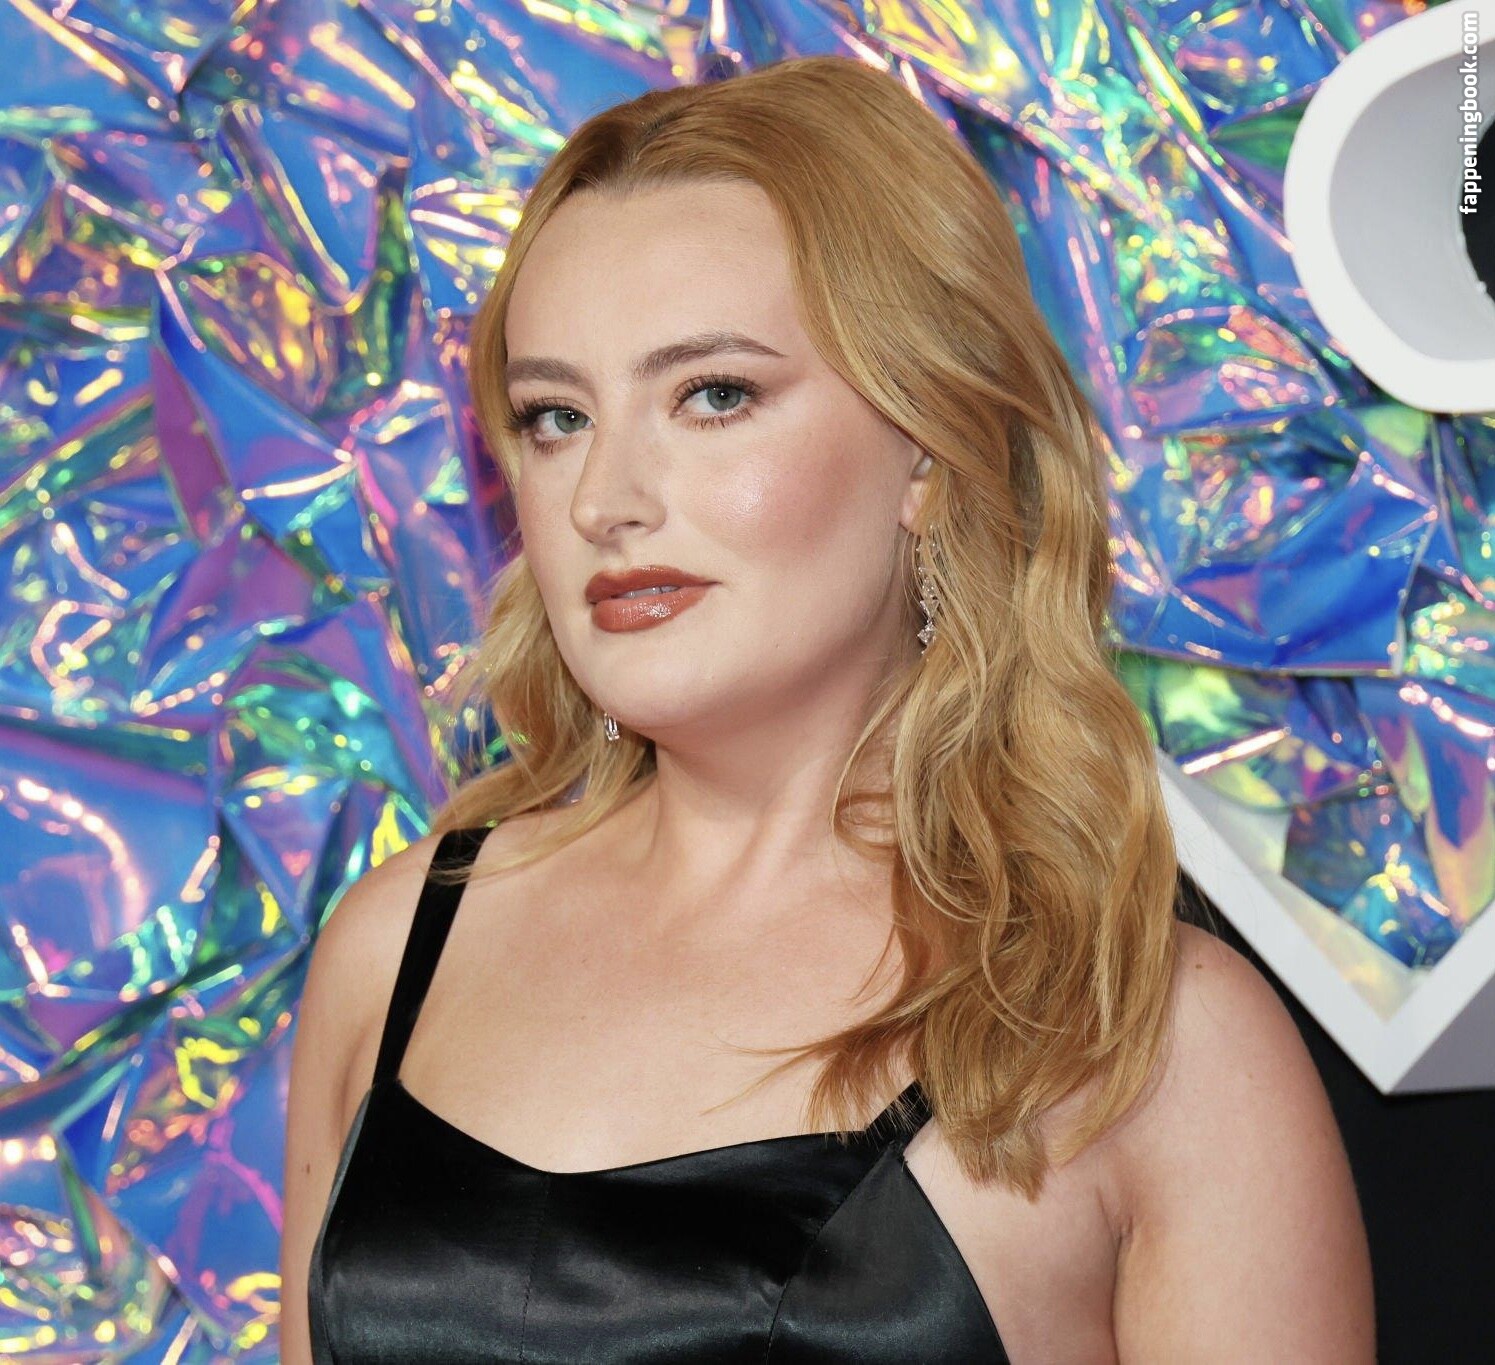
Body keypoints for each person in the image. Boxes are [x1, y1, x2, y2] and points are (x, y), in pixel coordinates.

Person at [278, 55, 1374, 1363]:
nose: (604, 500)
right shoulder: (394, 947)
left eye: (714, 396)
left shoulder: (1149, 1037)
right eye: (555, 416)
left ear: (928, 448)